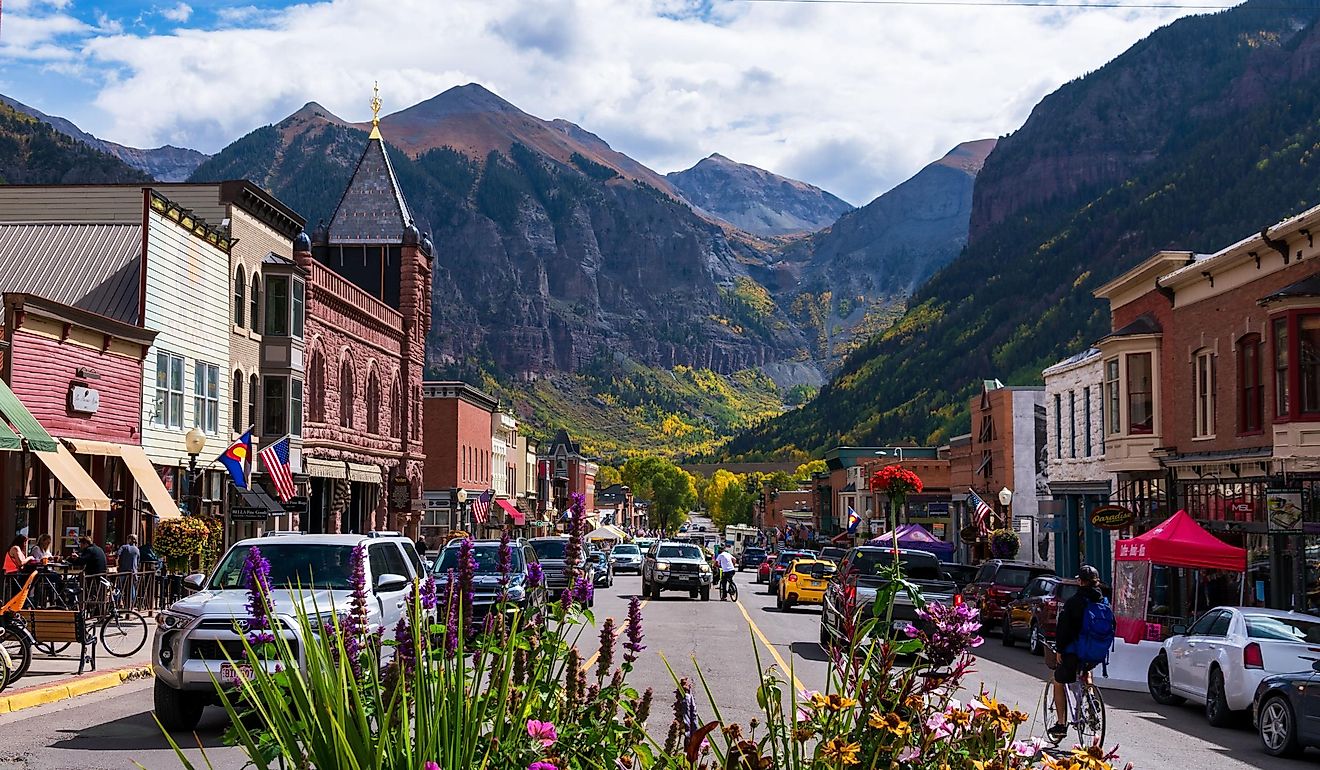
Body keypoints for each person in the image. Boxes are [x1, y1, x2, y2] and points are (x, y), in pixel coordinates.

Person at [1048, 565, 1113, 742]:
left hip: (1074, 652)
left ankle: (1061, 725)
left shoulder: (1074, 603)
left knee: (1058, 681)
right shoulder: (1104, 602)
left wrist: (1060, 650)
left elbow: (1063, 629)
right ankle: (1090, 697)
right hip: (1095, 652)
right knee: (1086, 671)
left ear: (1080, 582)